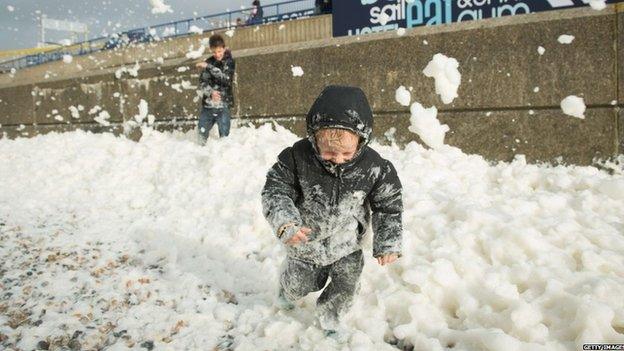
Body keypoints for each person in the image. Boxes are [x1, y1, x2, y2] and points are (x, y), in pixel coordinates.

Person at [261, 85, 403, 341]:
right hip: (305, 243)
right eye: (328, 151)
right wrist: (285, 223)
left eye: (347, 153)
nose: (337, 159)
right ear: (314, 138)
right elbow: (275, 190)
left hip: (346, 245)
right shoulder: (296, 158)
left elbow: (388, 203)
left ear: (362, 140)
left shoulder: (375, 168)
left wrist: (388, 240)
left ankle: (330, 318)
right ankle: (286, 289)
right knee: (300, 285)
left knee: (345, 287)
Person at [195, 34, 235, 144]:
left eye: (219, 51)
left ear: (223, 48)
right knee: (201, 134)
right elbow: (203, 83)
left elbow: (226, 79)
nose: (217, 55)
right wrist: (210, 92)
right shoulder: (208, 61)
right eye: (214, 52)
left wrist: (208, 67)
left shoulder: (229, 62)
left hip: (223, 105)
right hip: (208, 105)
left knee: (224, 137)